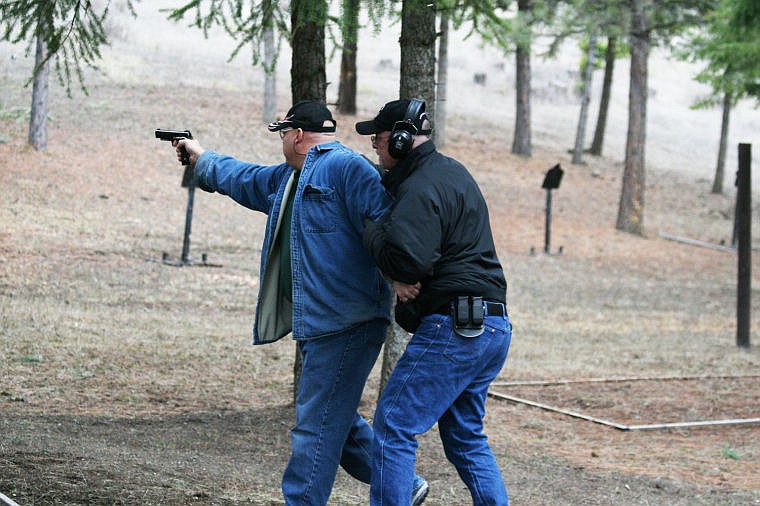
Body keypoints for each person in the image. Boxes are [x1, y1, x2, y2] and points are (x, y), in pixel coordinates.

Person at [170, 101, 428, 505]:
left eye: (283, 134)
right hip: (321, 324)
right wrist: (202, 158)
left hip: (348, 323)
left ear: (297, 135)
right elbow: (244, 178)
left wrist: (400, 276)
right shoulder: (290, 178)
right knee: (332, 419)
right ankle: (402, 482)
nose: (282, 141)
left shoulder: (348, 168)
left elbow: (387, 224)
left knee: (314, 429)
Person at [357, 98, 512, 506]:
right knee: (464, 437)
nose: (375, 143)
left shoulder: (422, 186)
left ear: (404, 139)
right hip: (491, 326)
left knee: (393, 425)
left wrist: (372, 231)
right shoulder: (451, 172)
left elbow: (408, 259)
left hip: (455, 327)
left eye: (380, 136)